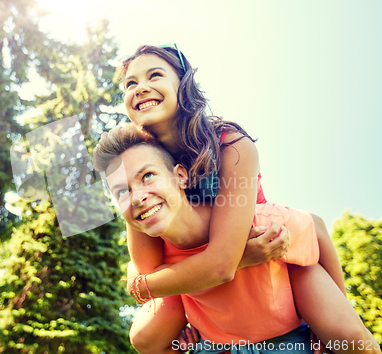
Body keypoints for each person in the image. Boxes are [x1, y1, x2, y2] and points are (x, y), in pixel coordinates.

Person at [94, 44, 380, 354]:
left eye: (155, 75)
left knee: (346, 333)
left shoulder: (228, 143)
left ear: (182, 84)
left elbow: (227, 262)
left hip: (259, 239)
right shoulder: (136, 159)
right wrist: (139, 283)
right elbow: (146, 265)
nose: (140, 88)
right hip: (194, 260)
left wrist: (335, 313)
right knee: (144, 337)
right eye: (130, 84)